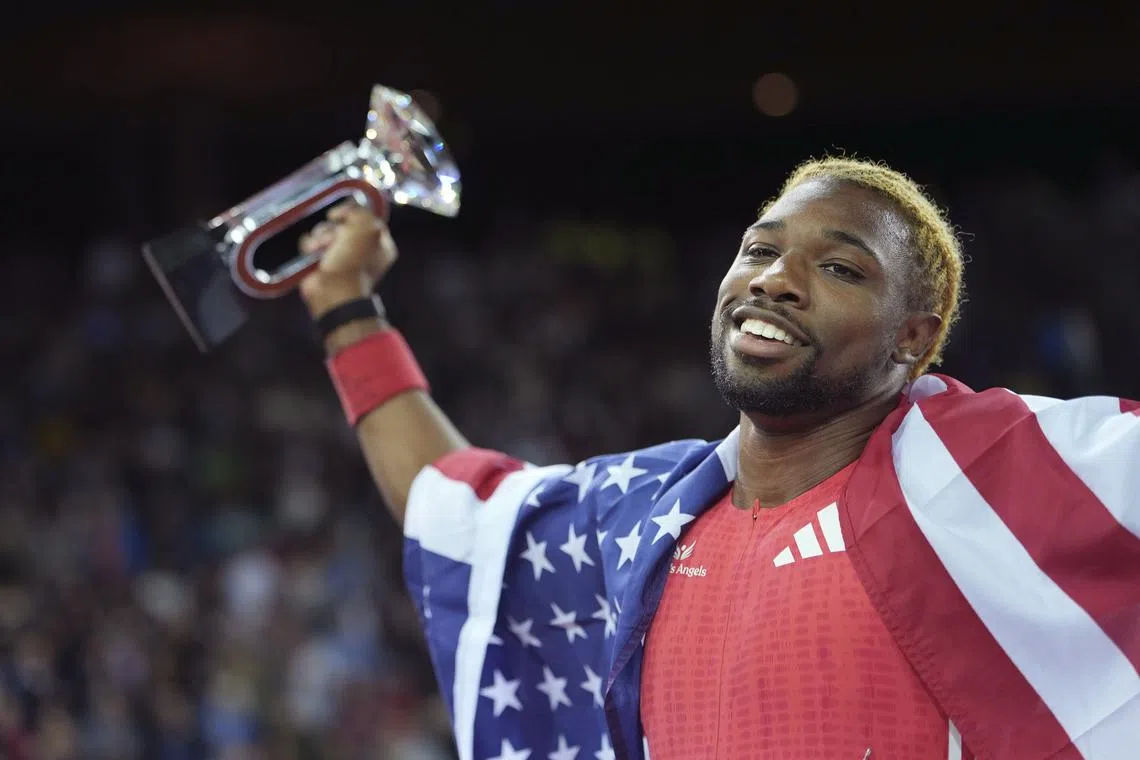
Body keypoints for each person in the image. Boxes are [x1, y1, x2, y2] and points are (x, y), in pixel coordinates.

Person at [297, 157, 1140, 760]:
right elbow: (455, 506)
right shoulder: (645, 517)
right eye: (760, 250)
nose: (774, 280)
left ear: (912, 340)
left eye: (840, 266)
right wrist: (345, 306)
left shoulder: (1004, 473)